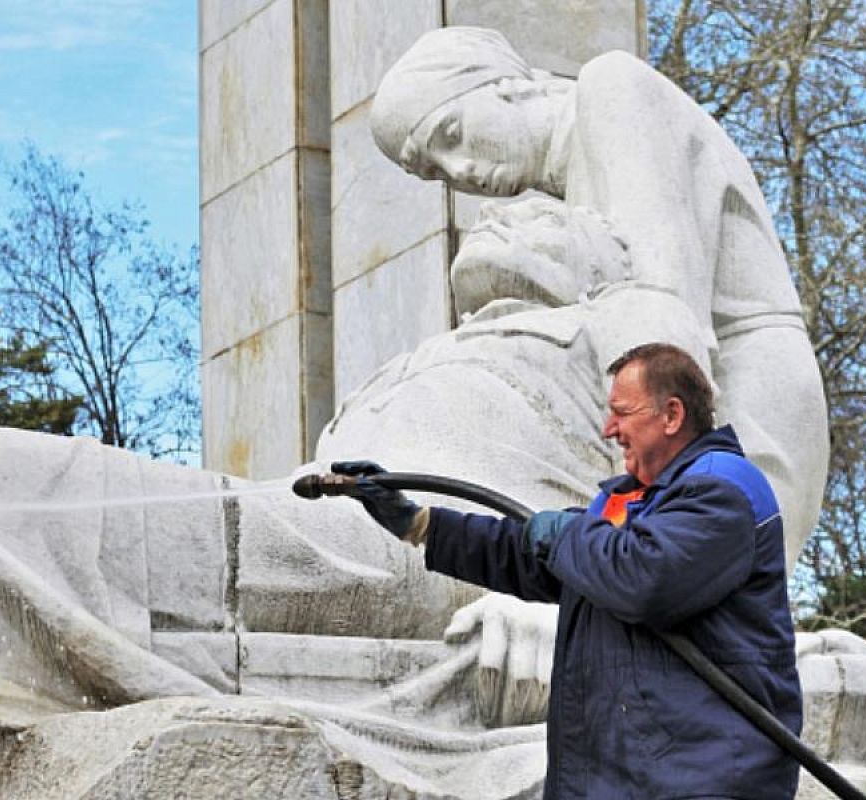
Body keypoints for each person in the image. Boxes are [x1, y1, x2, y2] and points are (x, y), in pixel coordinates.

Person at [370, 27, 829, 563]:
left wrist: (620, 562)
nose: (462, 171)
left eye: (452, 134)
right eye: (435, 171)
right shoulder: (560, 193)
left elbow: (666, 330)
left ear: (507, 87)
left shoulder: (611, 89)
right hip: (694, 424)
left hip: (747, 408)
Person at [334, 342, 803, 799]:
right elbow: (533, 555)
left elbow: (644, 579)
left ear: (672, 415)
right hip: (633, 780)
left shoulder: (724, 489)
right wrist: (420, 524)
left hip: (703, 780)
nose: (608, 428)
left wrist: (567, 535)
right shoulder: (636, 507)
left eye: (622, 412)